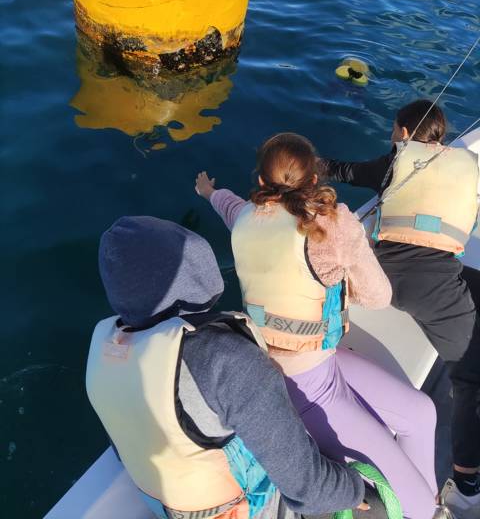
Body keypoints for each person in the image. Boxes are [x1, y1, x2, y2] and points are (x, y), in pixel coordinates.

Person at [195, 133, 439, 519]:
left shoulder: (245, 217)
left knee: (422, 412)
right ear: (313, 180)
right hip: (306, 387)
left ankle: (424, 503)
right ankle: (424, 510)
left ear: (261, 183)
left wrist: (208, 191)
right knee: (415, 502)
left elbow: (228, 206)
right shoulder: (331, 225)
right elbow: (377, 296)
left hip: (320, 361)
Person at [86, 215, 385, 519]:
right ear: (199, 272)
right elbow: (309, 489)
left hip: (169, 508)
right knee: (375, 508)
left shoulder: (108, 353)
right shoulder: (223, 357)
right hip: (247, 507)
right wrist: (354, 489)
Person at [322, 100, 480, 518]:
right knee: (468, 379)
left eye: (394, 131)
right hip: (433, 287)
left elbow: (342, 170)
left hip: (382, 275)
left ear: (406, 135)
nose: (393, 138)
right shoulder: (468, 167)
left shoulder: (394, 162)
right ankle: (466, 485)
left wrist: (305, 168)